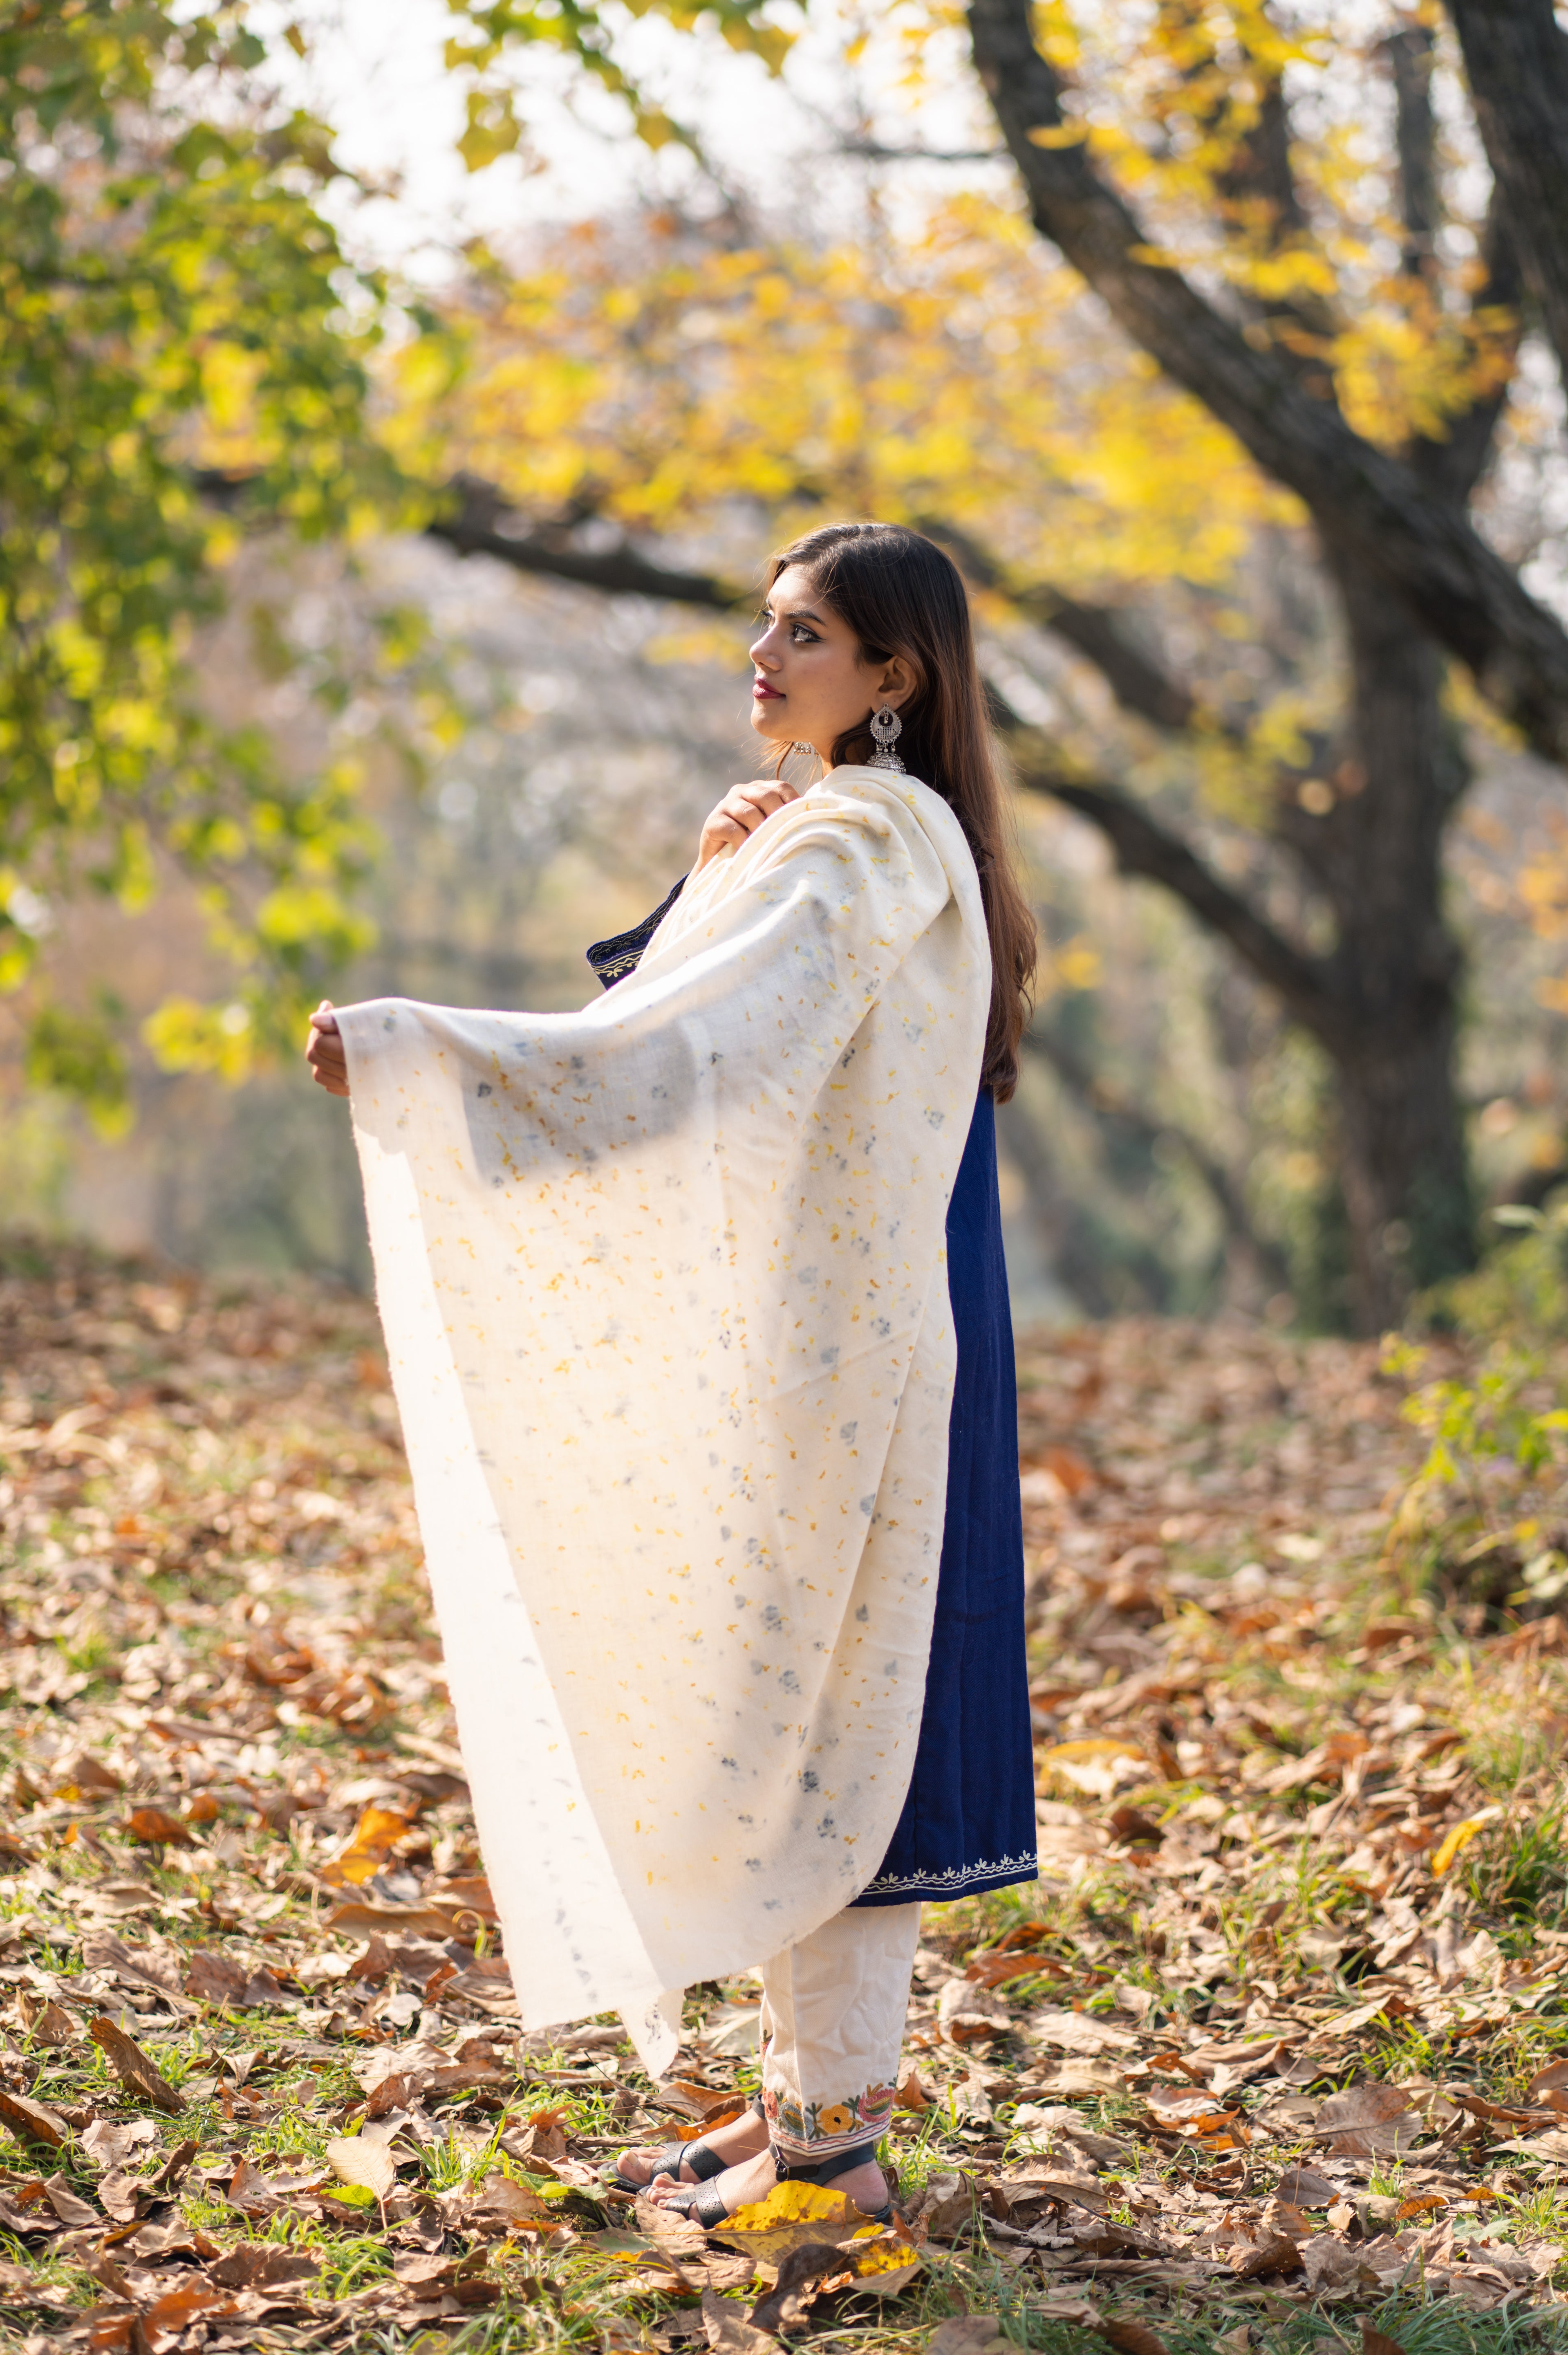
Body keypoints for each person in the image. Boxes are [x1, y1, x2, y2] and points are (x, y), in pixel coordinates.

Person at [306, 521, 1038, 2229]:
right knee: (789, 1701)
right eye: (765, 629)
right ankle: (799, 2111)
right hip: (836, 1321)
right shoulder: (841, 829)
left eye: (804, 638)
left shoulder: (872, 840)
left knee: (845, 1705)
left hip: (867, 1347)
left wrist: (430, 1057)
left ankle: (838, 2156)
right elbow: (728, 1017)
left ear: (893, 680)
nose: (762, 661)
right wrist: (719, 874)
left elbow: (707, 1057)